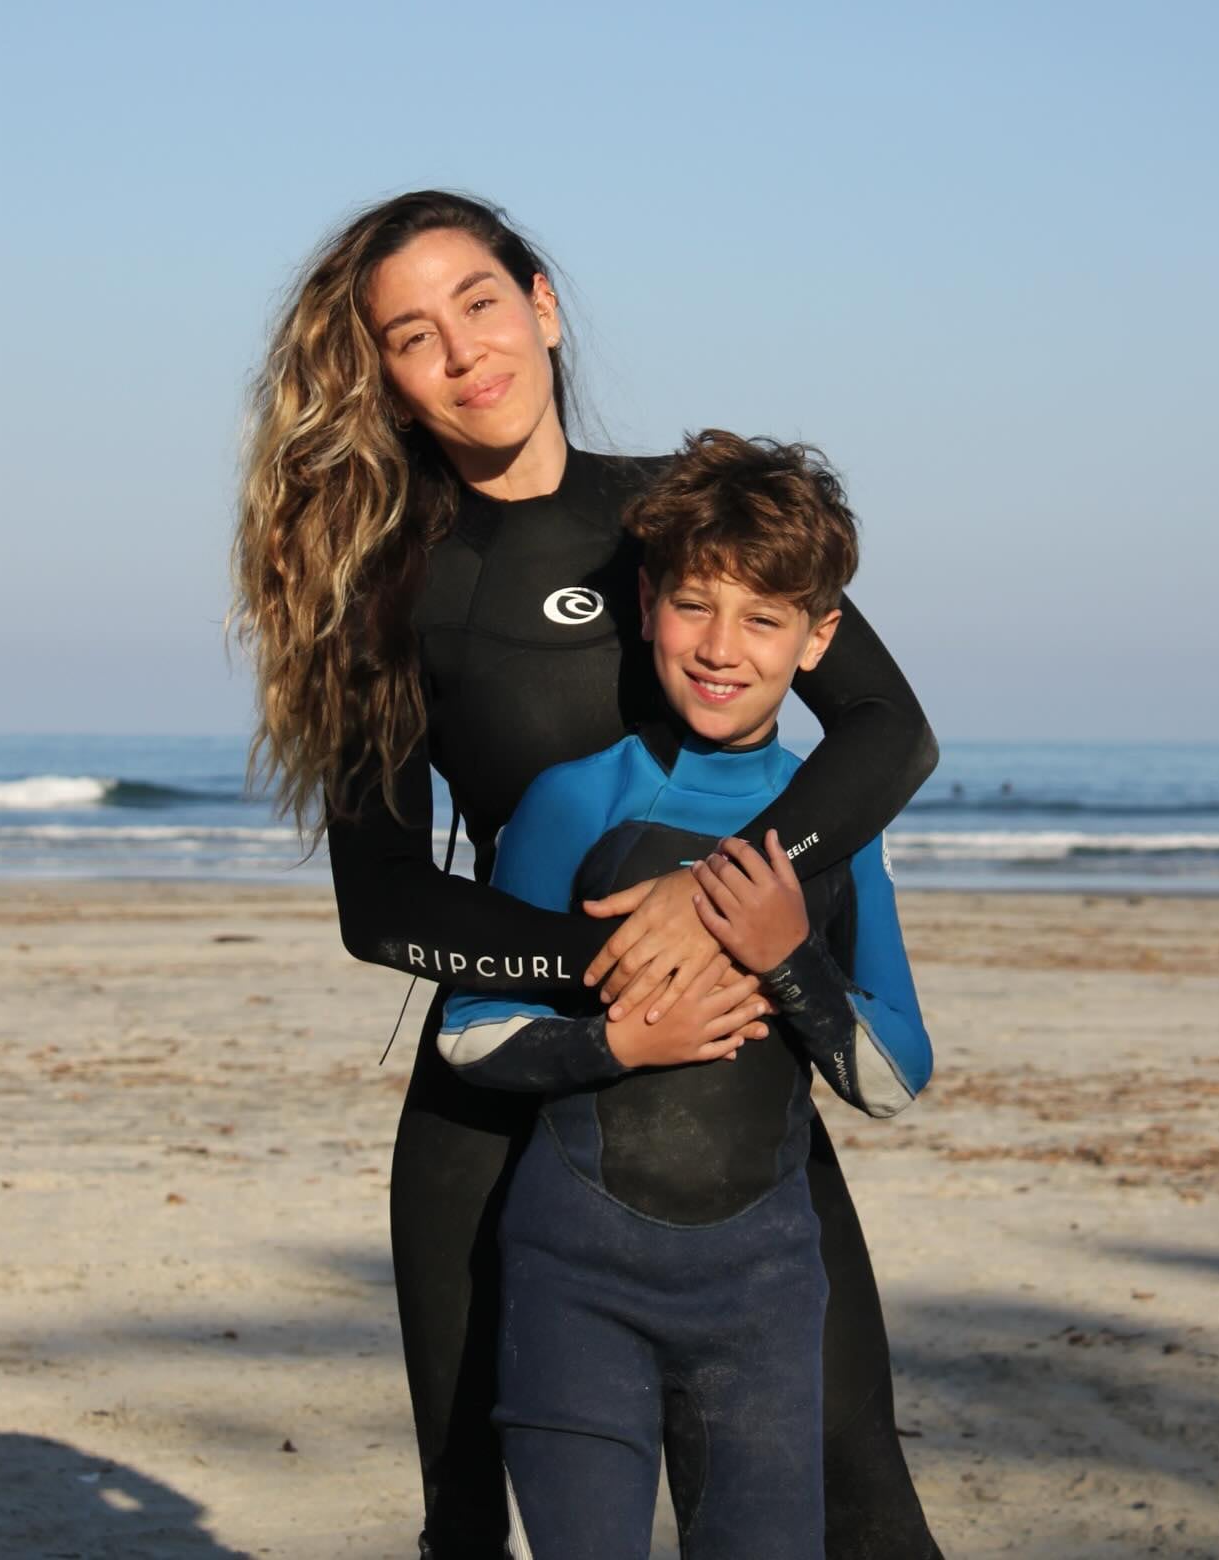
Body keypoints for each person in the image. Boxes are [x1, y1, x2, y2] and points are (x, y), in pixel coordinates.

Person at [232, 190, 942, 1559]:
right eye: (411, 336)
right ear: (380, 373)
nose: (462, 352)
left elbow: (889, 732)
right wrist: (612, 975)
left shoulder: (679, 523)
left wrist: (719, 895)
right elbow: (381, 905)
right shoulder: (378, 587)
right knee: (468, 1521)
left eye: (481, 304)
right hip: (491, 1110)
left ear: (543, 306)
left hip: (733, 1103)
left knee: (860, 1491)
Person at [439, 431, 934, 1560]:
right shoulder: (572, 803)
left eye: (763, 620)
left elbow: (895, 1076)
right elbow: (471, 1037)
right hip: (571, 1283)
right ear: (650, 602)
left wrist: (786, 956)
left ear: (819, 639)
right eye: (696, 608)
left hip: (760, 1297)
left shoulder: (836, 831)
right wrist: (620, 1040)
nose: (722, 649)